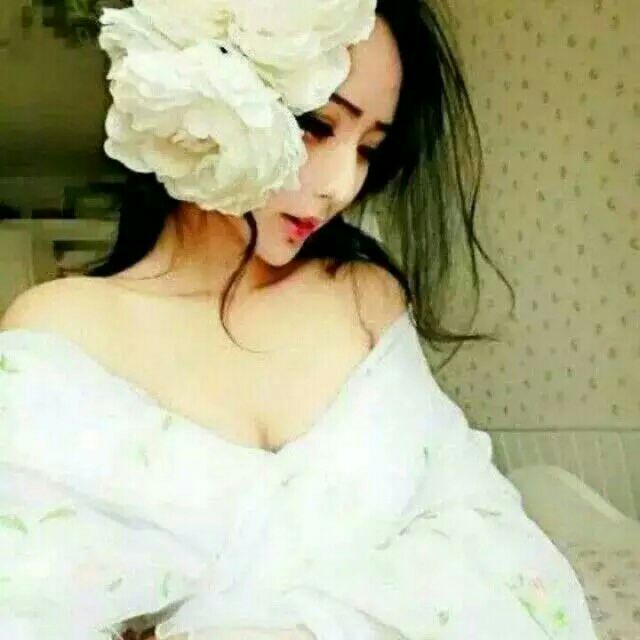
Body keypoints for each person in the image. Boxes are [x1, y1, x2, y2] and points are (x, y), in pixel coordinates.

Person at [0, 1, 598, 639]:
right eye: (316, 126)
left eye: (368, 148)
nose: (341, 185)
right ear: (196, 99)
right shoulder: (63, 332)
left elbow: (496, 548)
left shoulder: (362, 300)